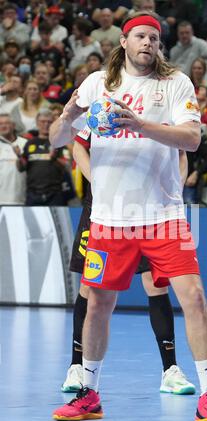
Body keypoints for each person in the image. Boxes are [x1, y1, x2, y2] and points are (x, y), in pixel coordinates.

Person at [50, 12, 207, 421]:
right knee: (98, 303)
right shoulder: (98, 84)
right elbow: (58, 141)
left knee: (193, 297)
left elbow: (191, 137)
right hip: (108, 218)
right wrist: (65, 118)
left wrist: (140, 125)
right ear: (124, 41)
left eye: (154, 37)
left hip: (163, 215)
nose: (148, 43)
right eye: (141, 36)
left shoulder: (176, 84)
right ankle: (89, 393)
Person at [62, 137, 195, 396]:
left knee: (155, 284)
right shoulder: (100, 101)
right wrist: (98, 185)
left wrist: (175, 189)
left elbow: (180, 153)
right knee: (91, 288)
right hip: (104, 209)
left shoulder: (159, 105)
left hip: (150, 209)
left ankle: (170, 370)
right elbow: (78, 146)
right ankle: (77, 366)